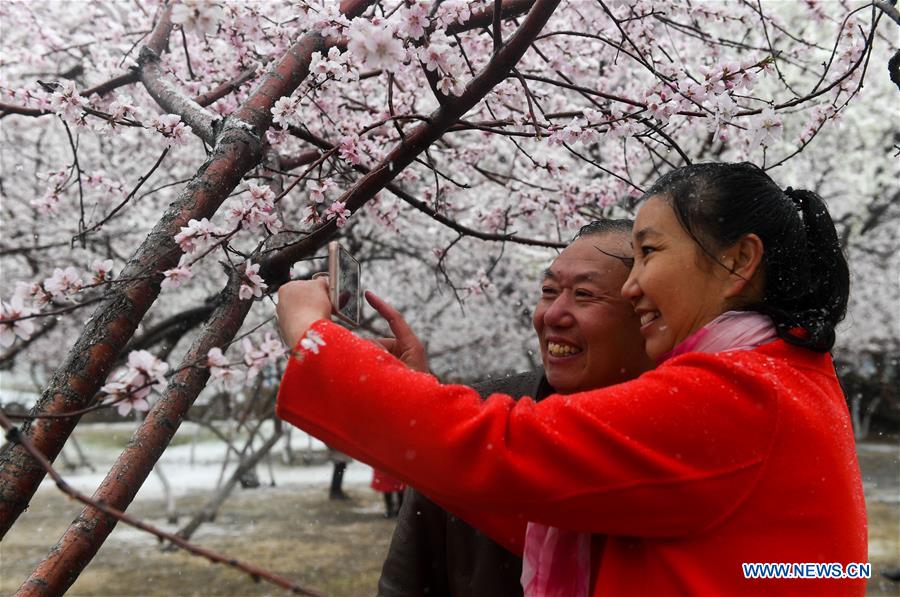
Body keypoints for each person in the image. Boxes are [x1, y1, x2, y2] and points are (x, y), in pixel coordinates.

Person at [275, 162, 867, 595]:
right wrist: (412, 396)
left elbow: (506, 451)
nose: (633, 286)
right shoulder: (783, 373)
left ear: (739, 260)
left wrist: (314, 340)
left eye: (650, 253)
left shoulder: (739, 390)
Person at [378, 220, 653, 596]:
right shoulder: (473, 418)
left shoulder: (677, 436)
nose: (552, 315)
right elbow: (406, 582)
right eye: (548, 291)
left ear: (646, 313)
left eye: (585, 295)